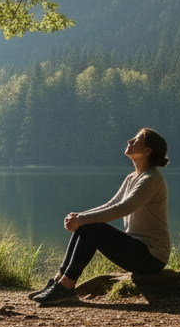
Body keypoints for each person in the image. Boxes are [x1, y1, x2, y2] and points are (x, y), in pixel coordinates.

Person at [31, 128, 171, 305]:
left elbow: (123, 208)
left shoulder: (151, 179)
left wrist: (82, 220)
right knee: (87, 225)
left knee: (90, 227)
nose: (129, 141)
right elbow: (111, 204)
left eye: (135, 140)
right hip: (138, 250)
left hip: (152, 257)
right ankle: (59, 281)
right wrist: (80, 217)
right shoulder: (132, 178)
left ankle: (66, 287)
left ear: (148, 151)